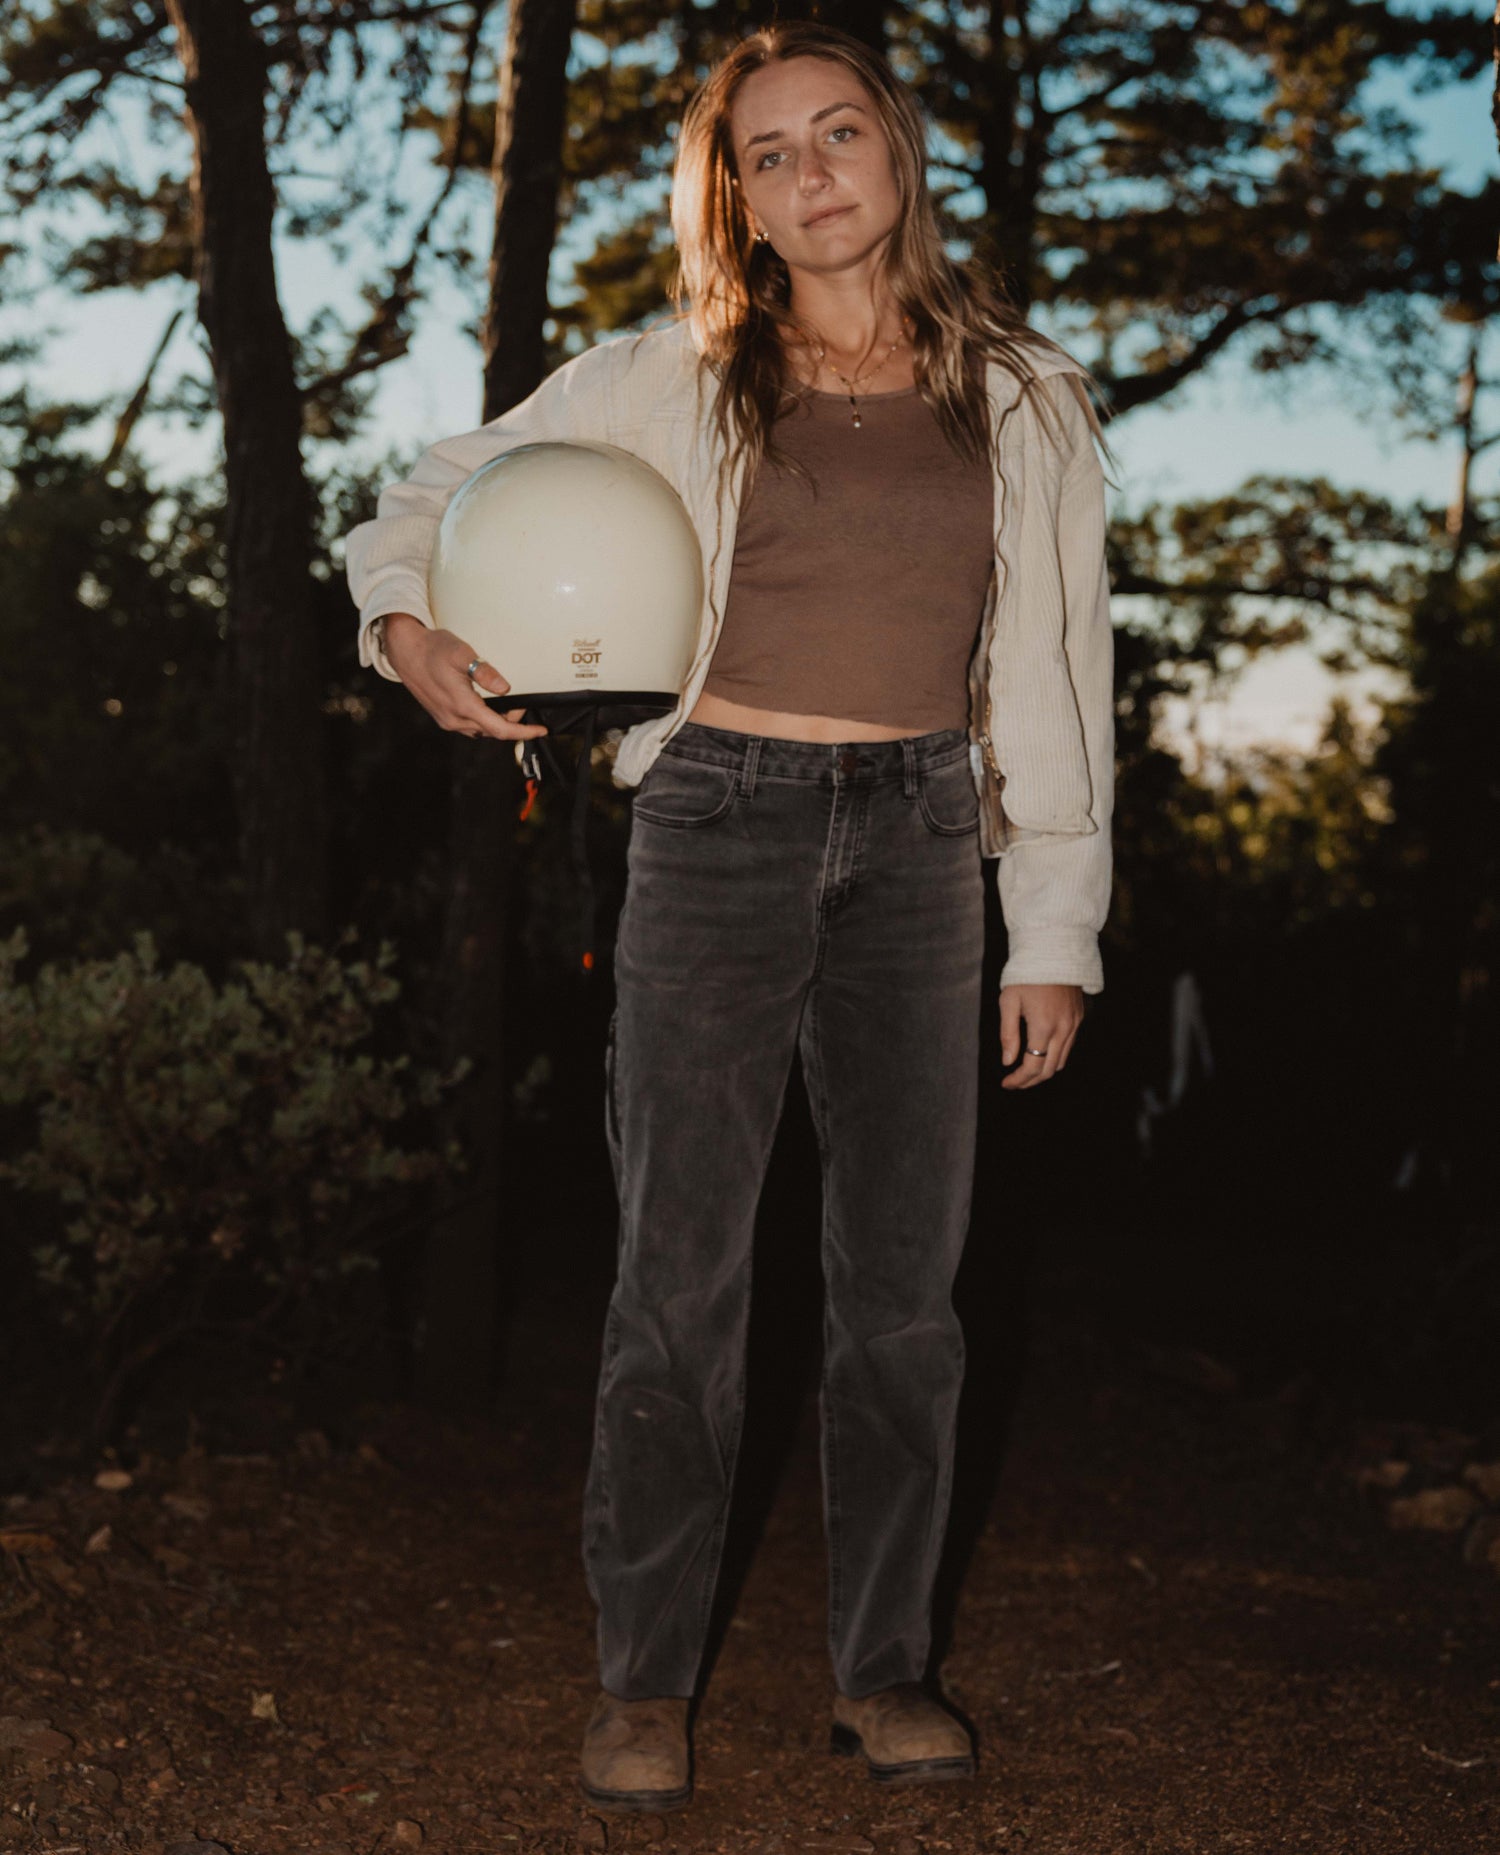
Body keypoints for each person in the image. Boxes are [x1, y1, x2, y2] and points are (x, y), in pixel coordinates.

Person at [345, 20, 1115, 1817]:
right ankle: (640, 1682)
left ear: (898, 152)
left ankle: (886, 1669)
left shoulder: (1026, 394)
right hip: (716, 826)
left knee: (903, 1300)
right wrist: (407, 631)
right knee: (678, 1285)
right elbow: (420, 494)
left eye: (839, 132)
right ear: (739, 199)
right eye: (768, 153)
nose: (811, 172)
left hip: (930, 837)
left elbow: (1067, 664)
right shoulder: (662, 375)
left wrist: (1055, 926)